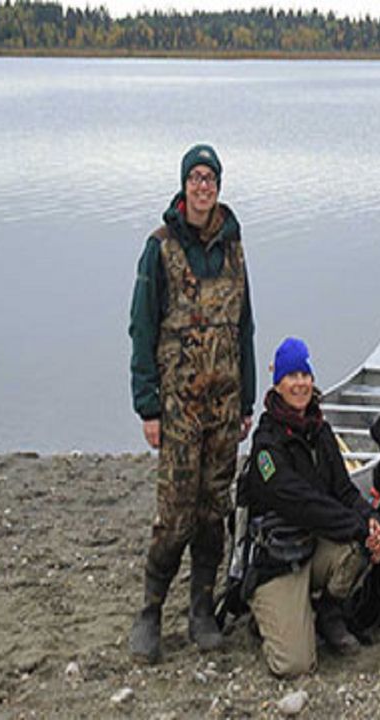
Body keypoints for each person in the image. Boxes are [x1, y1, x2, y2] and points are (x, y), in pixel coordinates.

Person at [128, 144, 256, 664]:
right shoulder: (159, 249)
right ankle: (150, 612)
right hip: (178, 408)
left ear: (219, 187)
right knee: (174, 515)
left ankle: (201, 609)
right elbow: (141, 329)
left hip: (224, 408)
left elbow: (245, 326)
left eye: (211, 179)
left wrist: (247, 397)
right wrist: (147, 406)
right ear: (184, 186)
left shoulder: (234, 245)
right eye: (196, 178)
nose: (203, 187)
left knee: (213, 510)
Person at [242, 338, 380, 677]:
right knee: (294, 665)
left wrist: (371, 520)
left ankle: (328, 612)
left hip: (316, 546)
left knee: (360, 545)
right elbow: (300, 504)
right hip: (278, 558)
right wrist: (355, 525)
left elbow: (345, 491)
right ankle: (264, 612)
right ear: (277, 383)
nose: (300, 384)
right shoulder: (266, 445)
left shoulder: (321, 432)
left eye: (305, 375)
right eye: (291, 375)